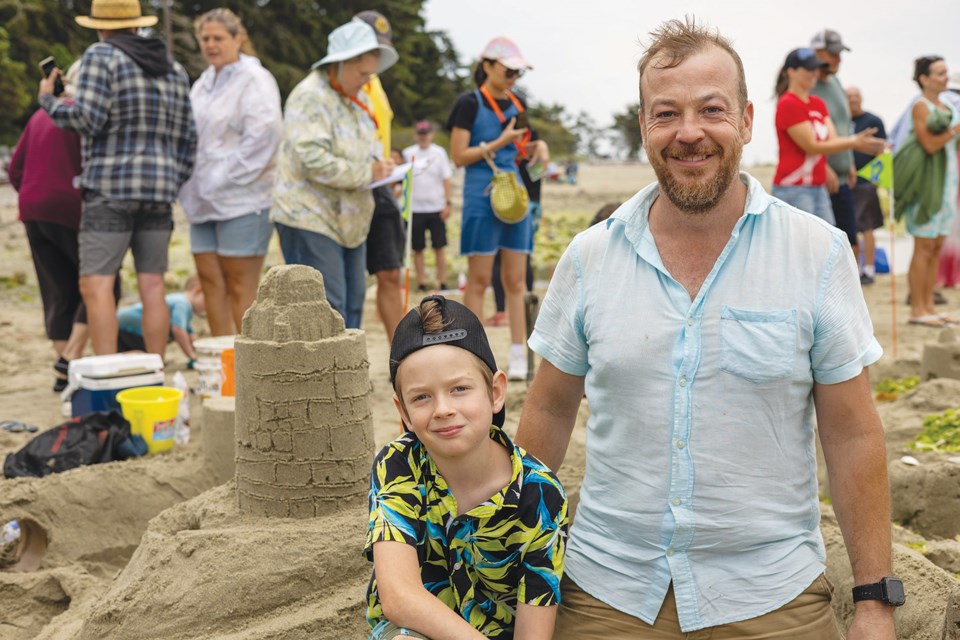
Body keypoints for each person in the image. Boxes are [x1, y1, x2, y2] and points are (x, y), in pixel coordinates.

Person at [516, 19, 900, 639]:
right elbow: (550, 412)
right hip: (607, 588)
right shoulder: (589, 258)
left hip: (771, 593)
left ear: (747, 121)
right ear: (643, 126)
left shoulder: (818, 254)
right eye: (665, 113)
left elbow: (853, 432)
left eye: (711, 110)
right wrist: (515, 561)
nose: (688, 133)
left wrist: (875, 601)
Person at [364, 295, 567, 639]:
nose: (443, 409)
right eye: (422, 397)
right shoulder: (398, 465)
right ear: (403, 412)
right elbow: (399, 598)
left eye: (459, 389)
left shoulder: (541, 494)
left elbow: (534, 632)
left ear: (496, 392)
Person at [38, 0, 196, 359]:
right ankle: (154, 374)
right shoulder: (174, 68)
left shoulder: (101, 56)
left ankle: (110, 378)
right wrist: (171, 181)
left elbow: (86, 119)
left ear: (100, 26)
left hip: (110, 189)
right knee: (153, 285)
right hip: (158, 194)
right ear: (138, 25)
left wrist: (49, 101)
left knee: (97, 285)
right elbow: (190, 139)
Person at [271, 19, 396, 329]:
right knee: (325, 308)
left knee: (352, 304)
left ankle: (346, 375)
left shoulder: (360, 98)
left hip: (350, 221)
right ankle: (324, 377)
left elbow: (365, 147)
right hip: (310, 216)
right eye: (362, 73)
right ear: (340, 63)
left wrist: (383, 165)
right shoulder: (310, 96)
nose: (366, 81)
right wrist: (368, 172)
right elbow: (311, 158)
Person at [446, 36, 548, 380]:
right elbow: (459, 156)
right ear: (487, 66)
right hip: (480, 193)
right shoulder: (468, 103)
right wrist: (498, 142)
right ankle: (473, 354)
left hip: (514, 196)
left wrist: (539, 148)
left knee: (516, 280)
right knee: (477, 280)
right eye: (508, 71)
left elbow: (522, 150)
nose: (513, 79)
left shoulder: (518, 105)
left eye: (518, 73)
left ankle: (518, 354)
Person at [178, 8, 282, 336]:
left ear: (237, 39)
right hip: (201, 200)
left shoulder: (255, 79)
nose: (211, 44)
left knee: (241, 287)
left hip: (243, 198)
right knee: (210, 283)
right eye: (205, 38)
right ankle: (225, 364)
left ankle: (251, 367)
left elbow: (264, 136)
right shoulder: (202, 84)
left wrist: (224, 176)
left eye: (218, 38)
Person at [11, 62, 99, 391]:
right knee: (102, 283)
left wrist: (35, 195)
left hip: (33, 208)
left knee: (58, 291)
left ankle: (65, 372)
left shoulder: (38, 117)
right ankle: (69, 359)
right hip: (71, 206)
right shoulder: (83, 116)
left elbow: (16, 169)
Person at [771, 48, 883, 224]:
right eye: (808, 69)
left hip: (818, 186)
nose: (814, 73)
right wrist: (855, 142)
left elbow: (832, 140)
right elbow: (811, 145)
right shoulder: (788, 103)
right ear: (791, 72)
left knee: (827, 243)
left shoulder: (818, 103)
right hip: (794, 188)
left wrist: (855, 145)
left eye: (816, 68)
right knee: (803, 247)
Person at [893, 56, 960, 327]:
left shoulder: (945, 105)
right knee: (922, 246)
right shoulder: (920, 106)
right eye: (940, 73)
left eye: (946, 72)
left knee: (937, 245)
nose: (946, 77)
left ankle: (929, 305)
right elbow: (929, 144)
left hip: (946, 182)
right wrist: (954, 131)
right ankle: (917, 309)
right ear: (924, 78)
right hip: (926, 185)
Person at [356, 10, 406, 343]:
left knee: (391, 272)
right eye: (369, 47)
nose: (375, 56)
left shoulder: (376, 83)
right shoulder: (344, 83)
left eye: (380, 49)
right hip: (354, 182)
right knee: (349, 280)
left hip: (382, 184)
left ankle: (400, 355)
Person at [810, 29, 862, 258]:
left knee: (850, 239)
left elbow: (843, 125)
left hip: (842, 177)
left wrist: (849, 162)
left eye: (839, 54)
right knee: (826, 246)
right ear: (816, 53)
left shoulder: (836, 83)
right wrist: (823, 166)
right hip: (822, 180)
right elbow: (806, 135)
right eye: (832, 54)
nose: (838, 59)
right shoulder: (808, 86)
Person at [402, 120, 453, 292]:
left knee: (439, 246)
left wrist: (448, 203)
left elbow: (446, 179)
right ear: (416, 135)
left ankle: (442, 281)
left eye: (426, 133)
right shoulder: (408, 153)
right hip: (415, 209)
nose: (423, 137)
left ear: (431, 134)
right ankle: (422, 281)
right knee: (418, 248)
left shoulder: (439, 153)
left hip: (436, 207)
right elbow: (402, 181)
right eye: (420, 133)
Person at [847, 86, 888, 285]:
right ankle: (853, 270)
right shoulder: (842, 120)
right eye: (849, 97)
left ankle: (869, 269)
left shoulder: (873, 120)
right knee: (849, 227)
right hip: (845, 181)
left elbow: (883, 149)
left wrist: (876, 180)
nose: (853, 100)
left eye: (856, 96)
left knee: (867, 226)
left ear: (861, 98)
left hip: (866, 181)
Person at [117, 275, 205, 361]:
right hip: (127, 329)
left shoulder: (185, 307)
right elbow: (178, 330)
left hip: (130, 329)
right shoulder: (182, 302)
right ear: (198, 290)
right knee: (142, 357)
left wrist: (201, 352)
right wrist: (192, 356)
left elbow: (191, 334)